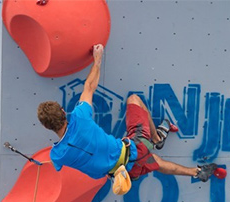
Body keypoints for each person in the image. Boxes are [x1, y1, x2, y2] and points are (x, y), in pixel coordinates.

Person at [36, 44, 219, 191]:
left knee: (155, 162)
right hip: (134, 148)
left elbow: (55, 162)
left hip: (122, 174)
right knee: (134, 100)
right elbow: (89, 87)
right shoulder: (80, 117)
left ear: (46, 127)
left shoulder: (57, 155)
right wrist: (97, 59)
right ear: (62, 111)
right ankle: (156, 138)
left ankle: (197, 172)